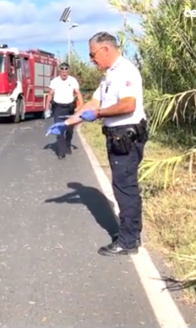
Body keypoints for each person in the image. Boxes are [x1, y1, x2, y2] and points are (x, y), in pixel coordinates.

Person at [49, 32, 148, 256]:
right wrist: (69, 121)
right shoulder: (109, 76)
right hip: (116, 137)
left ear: (105, 50)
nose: (92, 60)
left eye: (93, 55)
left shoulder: (125, 71)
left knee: (125, 189)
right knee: (123, 187)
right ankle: (129, 235)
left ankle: (128, 241)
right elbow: (95, 101)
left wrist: (99, 113)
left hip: (126, 137)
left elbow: (128, 105)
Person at [45, 62, 83, 159]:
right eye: (62, 72)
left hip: (69, 108)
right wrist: (46, 108)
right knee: (59, 129)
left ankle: (67, 144)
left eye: (66, 72)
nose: (64, 74)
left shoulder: (73, 80)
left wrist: (81, 107)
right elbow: (50, 95)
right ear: (59, 72)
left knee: (69, 130)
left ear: (68, 71)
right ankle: (61, 152)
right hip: (58, 107)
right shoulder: (54, 81)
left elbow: (78, 94)